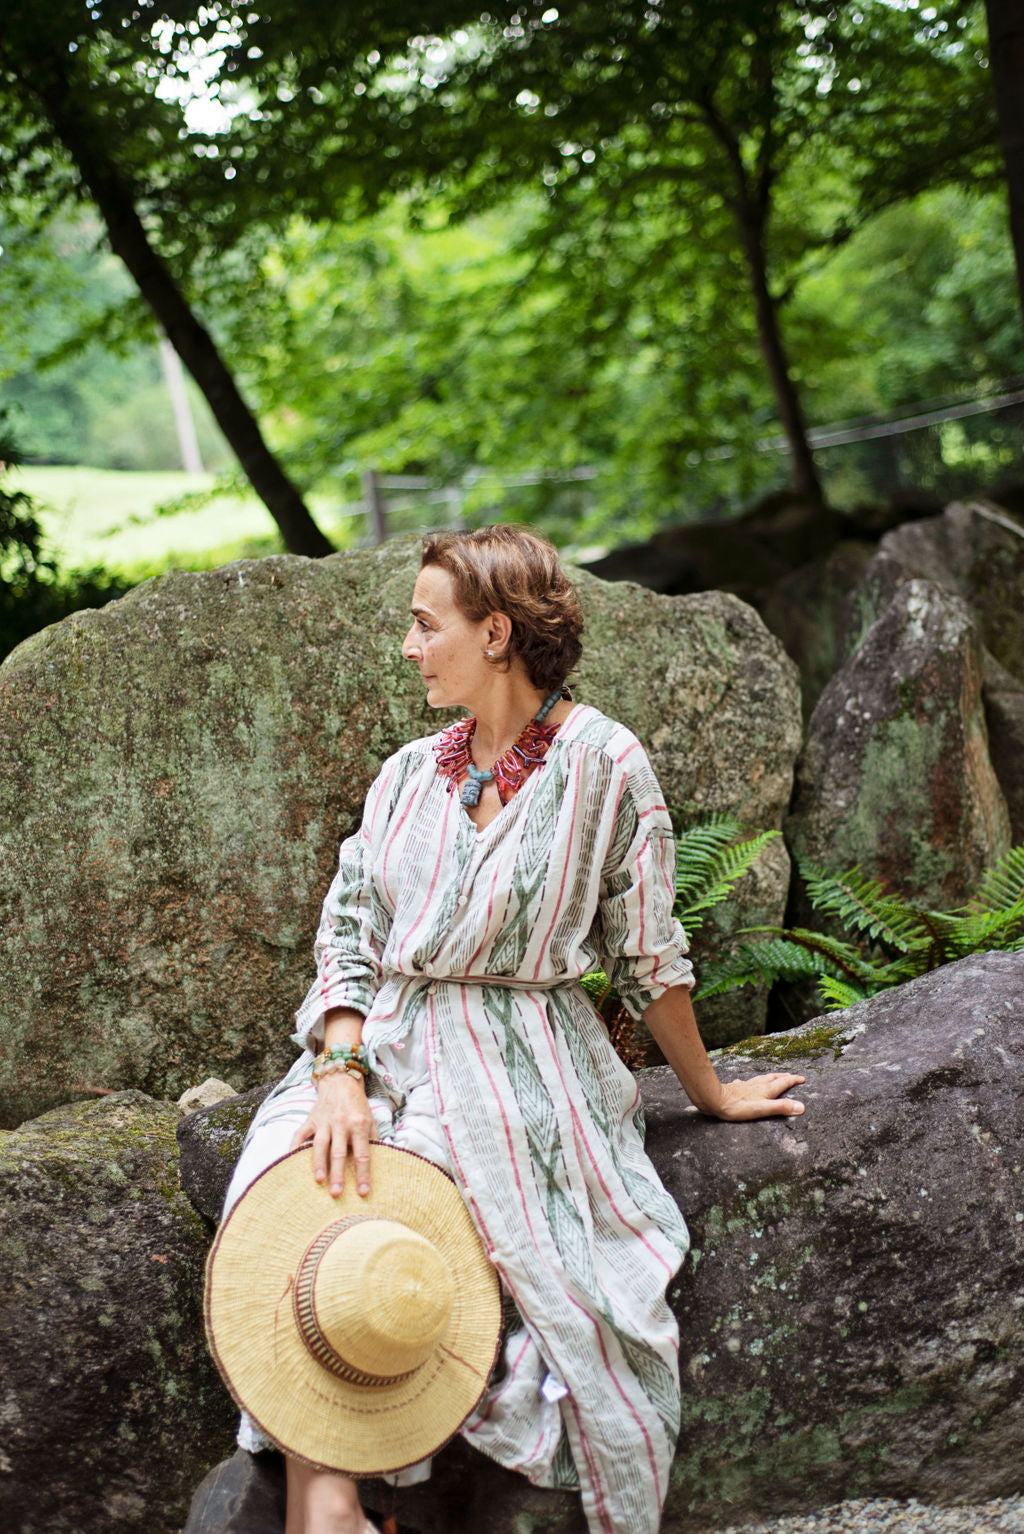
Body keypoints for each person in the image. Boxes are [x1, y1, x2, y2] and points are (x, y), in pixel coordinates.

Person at [222, 524, 805, 1534]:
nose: (407, 646)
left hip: (518, 1047)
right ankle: (325, 1496)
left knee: (441, 1199)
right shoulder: (409, 772)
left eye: (423, 623)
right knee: (294, 1164)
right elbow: (347, 933)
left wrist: (708, 1093)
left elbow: (649, 957)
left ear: (495, 633)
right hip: (383, 1039)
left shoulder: (604, 765)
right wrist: (339, 1066)